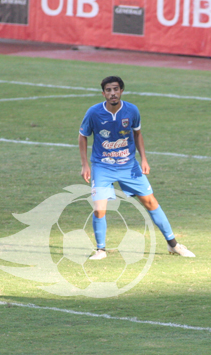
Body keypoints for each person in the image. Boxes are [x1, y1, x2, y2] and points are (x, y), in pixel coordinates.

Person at [79, 76, 194, 259]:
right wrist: (85, 164)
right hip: (102, 166)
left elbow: (137, 134)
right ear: (103, 93)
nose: (112, 93)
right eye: (108, 90)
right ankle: (101, 250)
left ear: (121, 91)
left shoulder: (132, 110)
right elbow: (83, 136)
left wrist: (144, 159)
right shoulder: (93, 113)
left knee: (151, 202)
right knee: (99, 209)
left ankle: (173, 245)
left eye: (116, 89)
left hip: (129, 166)